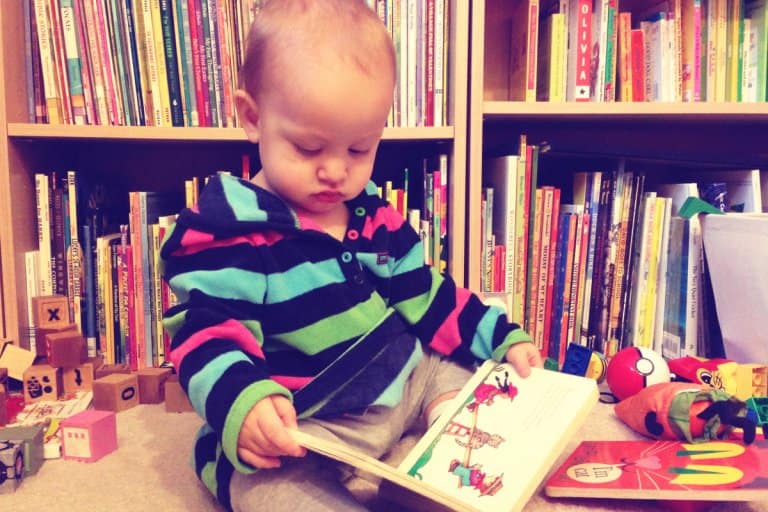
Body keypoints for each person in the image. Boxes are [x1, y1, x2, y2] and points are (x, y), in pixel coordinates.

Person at [160, 1, 542, 511]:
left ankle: (434, 470)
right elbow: (205, 334)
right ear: (253, 118)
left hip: (402, 378)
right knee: (265, 491)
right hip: (306, 422)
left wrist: (501, 336)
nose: (336, 172)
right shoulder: (231, 230)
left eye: (359, 149)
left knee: (454, 376)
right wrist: (245, 405)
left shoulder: (375, 218)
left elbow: (430, 296)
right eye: (310, 149)